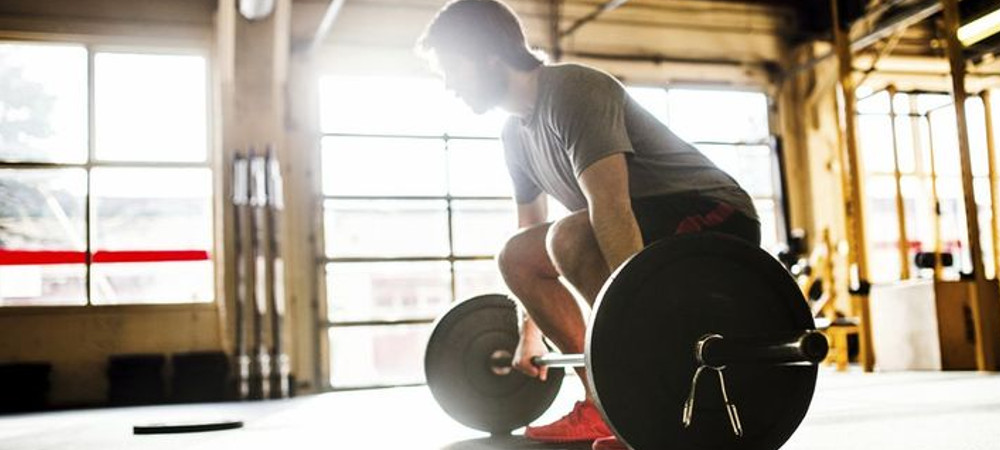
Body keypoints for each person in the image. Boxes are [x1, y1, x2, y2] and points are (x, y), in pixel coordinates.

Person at [418, 1, 761, 449]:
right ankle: (607, 403)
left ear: (487, 54)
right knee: (516, 254)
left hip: (714, 216)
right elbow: (528, 237)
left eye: (452, 68)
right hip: (637, 226)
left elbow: (611, 208)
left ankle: (644, 400)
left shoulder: (572, 90)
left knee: (571, 235)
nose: (449, 85)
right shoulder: (515, 133)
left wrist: (639, 318)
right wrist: (530, 332)